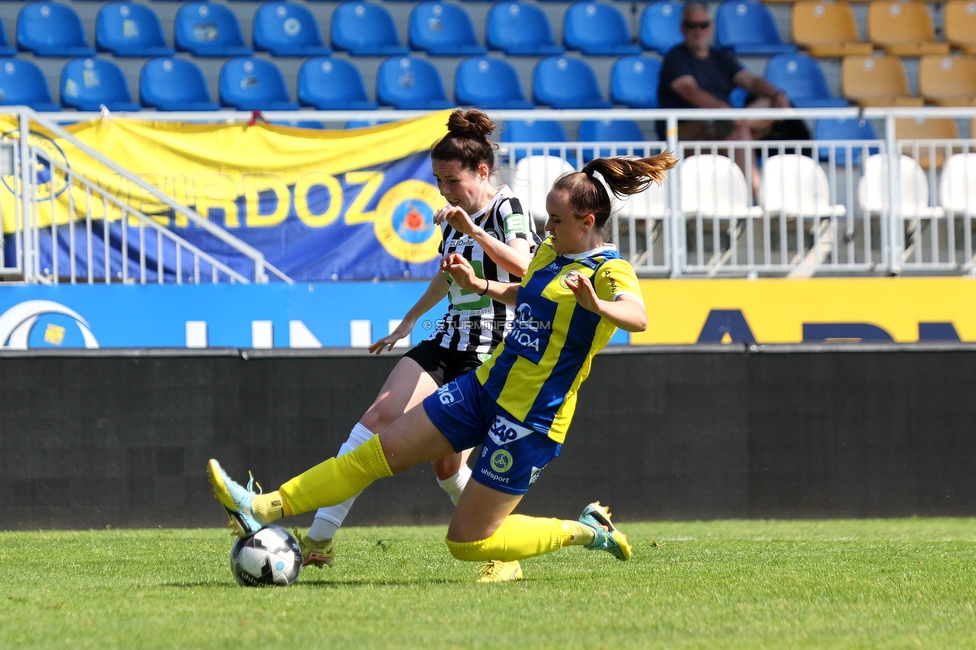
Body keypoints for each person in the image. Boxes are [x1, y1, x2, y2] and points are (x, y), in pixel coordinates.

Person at [207, 152, 677, 577]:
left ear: (587, 220)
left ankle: (588, 531)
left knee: (467, 543)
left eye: (554, 220)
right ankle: (261, 505)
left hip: (530, 418)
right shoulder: (553, 253)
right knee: (376, 452)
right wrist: (480, 284)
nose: (546, 228)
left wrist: (596, 304)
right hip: (483, 387)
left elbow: (638, 317)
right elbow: (526, 293)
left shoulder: (610, 270)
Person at [283, 108, 539, 583]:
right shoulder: (449, 219)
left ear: (482, 172)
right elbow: (448, 276)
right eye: (438, 181)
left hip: (494, 352)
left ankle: (502, 554)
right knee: (378, 417)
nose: (444, 191)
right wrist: (409, 321)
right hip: (447, 339)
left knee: (447, 466)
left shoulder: (508, 208)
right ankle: (318, 538)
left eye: (451, 180)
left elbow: (527, 269)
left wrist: (474, 231)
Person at [657, 1, 790, 192]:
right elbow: (689, 91)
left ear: (711, 27)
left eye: (703, 25)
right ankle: (753, 195)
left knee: (767, 104)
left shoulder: (720, 57)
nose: (698, 31)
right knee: (739, 131)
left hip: (725, 124)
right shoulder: (675, 57)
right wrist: (724, 111)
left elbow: (750, 81)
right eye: (691, 25)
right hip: (687, 130)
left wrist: (776, 93)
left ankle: (738, 123)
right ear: (682, 27)